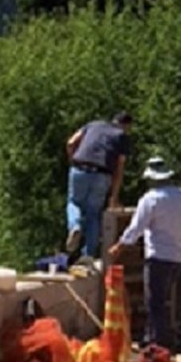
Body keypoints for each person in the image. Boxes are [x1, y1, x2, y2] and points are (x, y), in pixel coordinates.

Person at [107, 157, 181, 352]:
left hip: (159, 257)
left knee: (154, 302)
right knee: (165, 301)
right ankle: (152, 338)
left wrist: (119, 247)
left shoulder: (150, 199)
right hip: (179, 257)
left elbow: (136, 228)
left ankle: (160, 344)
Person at [65, 112, 133, 261]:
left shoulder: (93, 124)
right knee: (93, 214)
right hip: (102, 174)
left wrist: (73, 163)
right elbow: (119, 168)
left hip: (80, 168)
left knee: (74, 202)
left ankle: (75, 226)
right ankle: (88, 256)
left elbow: (71, 142)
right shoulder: (122, 136)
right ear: (127, 126)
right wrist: (114, 197)